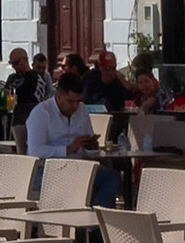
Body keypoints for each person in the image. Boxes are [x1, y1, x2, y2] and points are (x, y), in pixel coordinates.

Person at [24, 72, 120, 205]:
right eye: (70, 101)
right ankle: (87, 220)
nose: (75, 106)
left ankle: (98, 221)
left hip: (79, 166)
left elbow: (88, 144)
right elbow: (34, 151)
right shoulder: (41, 113)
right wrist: (68, 149)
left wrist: (91, 146)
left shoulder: (82, 110)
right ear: (58, 96)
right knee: (82, 183)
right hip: (48, 169)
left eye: (78, 101)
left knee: (111, 177)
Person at [4, 48, 44, 125]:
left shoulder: (34, 77)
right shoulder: (12, 78)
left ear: (25, 60)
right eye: (11, 63)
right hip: (10, 117)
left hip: (27, 118)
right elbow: (5, 93)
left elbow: (34, 99)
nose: (13, 66)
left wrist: (14, 98)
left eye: (16, 63)